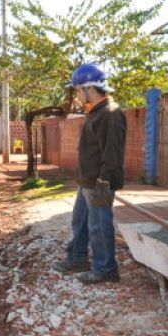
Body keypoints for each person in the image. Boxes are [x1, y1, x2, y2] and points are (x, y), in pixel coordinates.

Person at [53, 62, 127, 284]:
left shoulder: (110, 114)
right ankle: (78, 258)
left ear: (90, 89)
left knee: (99, 226)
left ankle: (106, 269)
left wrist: (104, 182)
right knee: (80, 221)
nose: (76, 94)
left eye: (78, 90)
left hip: (100, 183)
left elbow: (112, 154)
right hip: (87, 182)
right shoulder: (95, 112)